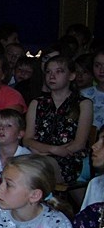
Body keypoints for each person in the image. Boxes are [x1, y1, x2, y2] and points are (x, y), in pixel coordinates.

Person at [24, 54, 91, 186]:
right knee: (27, 162)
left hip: (69, 158)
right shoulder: (37, 103)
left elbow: (79, 143)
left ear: (71, 76)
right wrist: (51, 150)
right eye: (48, 72)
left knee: (36, 166)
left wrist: (49, 153)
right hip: (39, 155)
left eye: (59, 71)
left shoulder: (83, 104)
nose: (52, 76)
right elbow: (27, 139)